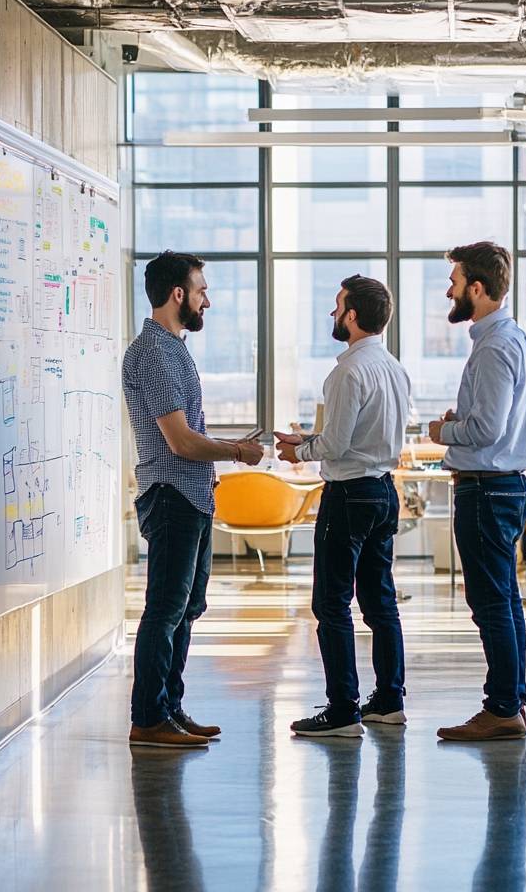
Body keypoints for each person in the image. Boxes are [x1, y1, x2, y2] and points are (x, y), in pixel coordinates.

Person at [123, 251, 264, 748]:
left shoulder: (175, 349)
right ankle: (149, 718)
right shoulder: (153, 353)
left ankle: (170, 709)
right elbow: (181, 442)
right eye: (202, 290)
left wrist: (219, 462)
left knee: (185, 609)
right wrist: (238, 451)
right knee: (164, 610)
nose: (209, 300)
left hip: (194, 496)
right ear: (178, 295)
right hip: (172, 497)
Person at [276, 275, 411, 738]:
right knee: (380, 602)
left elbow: (336, 444)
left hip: (349, 495)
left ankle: (342, 710)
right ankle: (389, 700)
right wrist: (310, 442)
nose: (333, 315)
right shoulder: (394, 368)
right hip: (383, 492)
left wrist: (298, 451)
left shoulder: (347, 372)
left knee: (331, 603)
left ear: (352, 316)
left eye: (337, 307)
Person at [428, 242, 526, 742]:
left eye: (454, 282)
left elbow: (490, 429)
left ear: (477, 289)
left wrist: (445, 433)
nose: (449, 290)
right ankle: (511, 702)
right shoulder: (514, 338)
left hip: (487, 491)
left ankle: (501, 707)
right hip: (507, 487)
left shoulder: (496, 346)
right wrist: (469, 425)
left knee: (491, 604)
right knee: (504, 601)